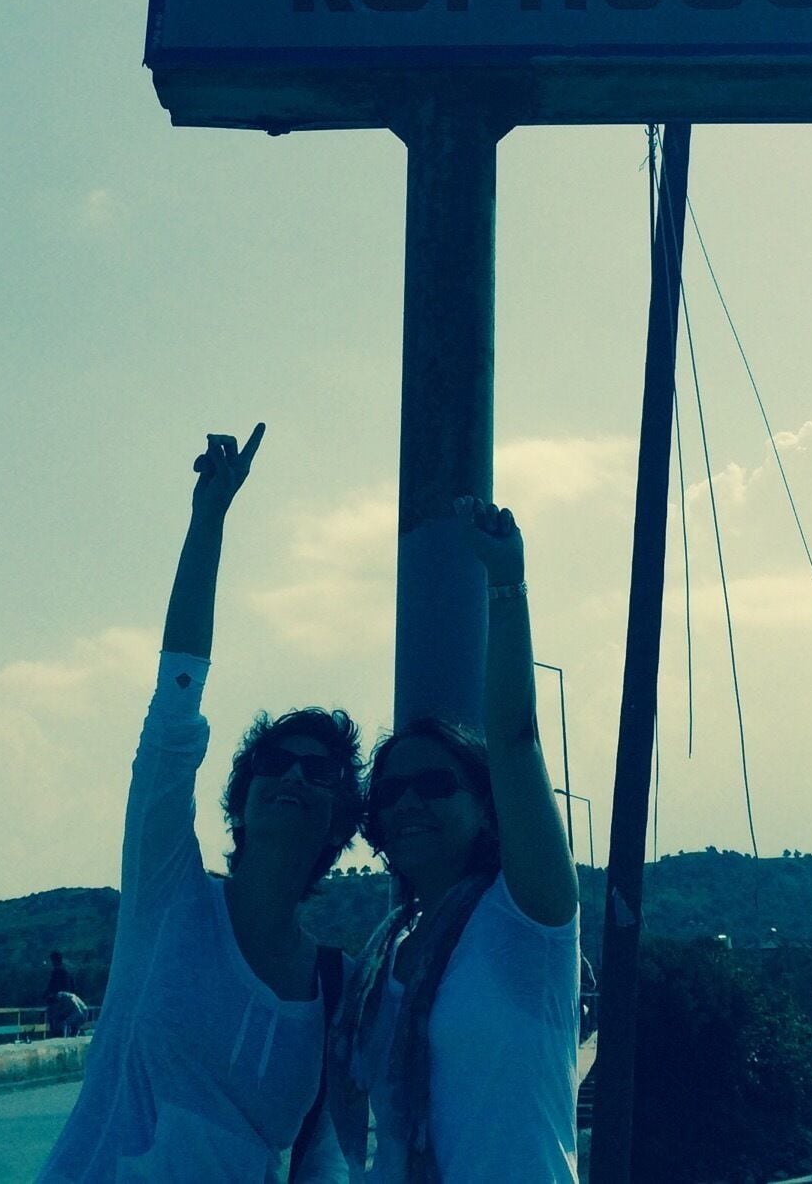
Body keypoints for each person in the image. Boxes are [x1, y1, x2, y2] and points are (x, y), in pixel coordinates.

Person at [38, 425, 364, 1184]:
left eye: (319, 771)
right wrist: (209, 521)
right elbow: (171, 723)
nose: (293, 776)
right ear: (241, 800)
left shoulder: (338, 987)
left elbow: (322, 1159)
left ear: (339, 822)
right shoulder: (168, 897)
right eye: (274, 763)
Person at [331, 497, 581, 1183]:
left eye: (436, 784)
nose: (409, 801)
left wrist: (506, 584)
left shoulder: (526, 919)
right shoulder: (385, 954)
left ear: (486, 808)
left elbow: (516, 739)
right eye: (391, 793)